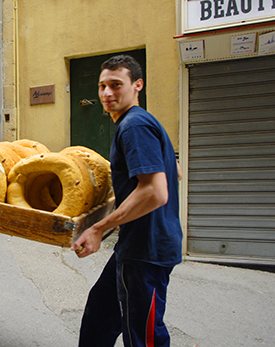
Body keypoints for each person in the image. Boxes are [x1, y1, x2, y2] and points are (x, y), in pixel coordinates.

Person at [71, 55, 182, 346]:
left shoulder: (133, 126)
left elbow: (156, 191)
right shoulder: (142, 121)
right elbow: (176, 172)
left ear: (137, 85)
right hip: (133, 245)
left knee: (143, 337)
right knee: (100, 315)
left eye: (116, 85)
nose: (107, 94)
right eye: (102, 86)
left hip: (146, 251)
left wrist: (98, 228)